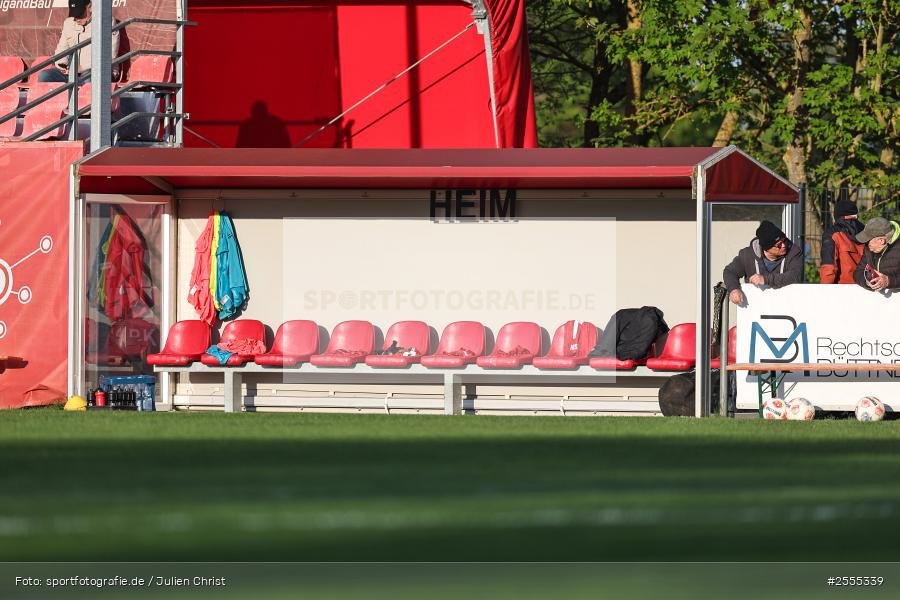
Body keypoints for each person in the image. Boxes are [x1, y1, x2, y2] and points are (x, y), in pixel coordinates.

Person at [724, 220, 803, 305]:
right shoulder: (747, 255)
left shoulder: (794, 252)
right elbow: (730, 271)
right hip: (756, 308)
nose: (784, 246)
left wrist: (765, 279)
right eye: (778, 245)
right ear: (766, 247)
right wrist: (734, 289)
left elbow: (795, 275)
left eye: (784, 241)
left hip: (786, 305)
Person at [39, 0, 120, 83]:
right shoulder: (69, 23)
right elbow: (61, 50)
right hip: (72, 72)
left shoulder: (106, 22)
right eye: (74, 14)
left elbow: (109, 55)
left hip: (98, 72)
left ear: (90, 7)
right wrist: (62, 65)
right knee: (45, 76)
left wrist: (81, 68)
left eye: (80, 14)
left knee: (88, 77)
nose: (77, 19)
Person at [819, 199, 864, 284]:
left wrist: (824, 291)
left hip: (842, 290)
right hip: (867, 288)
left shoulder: (832, 233)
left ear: (836, 215)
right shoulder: (867, 231)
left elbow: (829, 267)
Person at [853, 217, 900, 293]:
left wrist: (889, 281)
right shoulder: (869, 248)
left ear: (881, 241)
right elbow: (858, 271)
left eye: (868, 242)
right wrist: (867, 282)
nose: (866, 245)